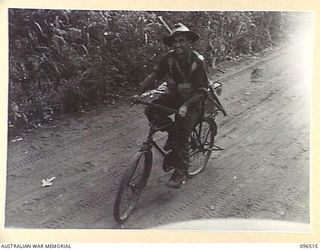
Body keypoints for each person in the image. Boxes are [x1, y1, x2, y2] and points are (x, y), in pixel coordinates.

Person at [133, 23, 209, 188]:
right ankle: (172, 133)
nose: (177, 45)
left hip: (194, 101)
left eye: (181, 41)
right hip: (175, 97)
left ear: (189, 42)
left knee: (182, 132)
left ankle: (180, 171)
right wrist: (138, 93)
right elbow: (154, 75)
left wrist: (186, 106)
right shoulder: (168, 58)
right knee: (151, 110)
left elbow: (202, 91)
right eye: (175, 41)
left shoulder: (198, 61)